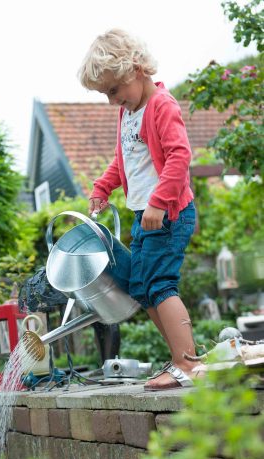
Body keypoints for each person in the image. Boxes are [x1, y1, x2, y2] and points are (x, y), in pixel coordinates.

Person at [77, 28, 204, 391]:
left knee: (161, 284)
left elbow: (181, 157)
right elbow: (125, 161)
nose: (112, 100)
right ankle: (181, 359)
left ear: (135, 69)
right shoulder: (128, 113)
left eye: (114, 90)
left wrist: (159, 203)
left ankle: (188, 363)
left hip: (169, 214)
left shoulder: (161, 106)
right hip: (145, 217)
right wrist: (103, 186)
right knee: (142, 287)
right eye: (106, 94)